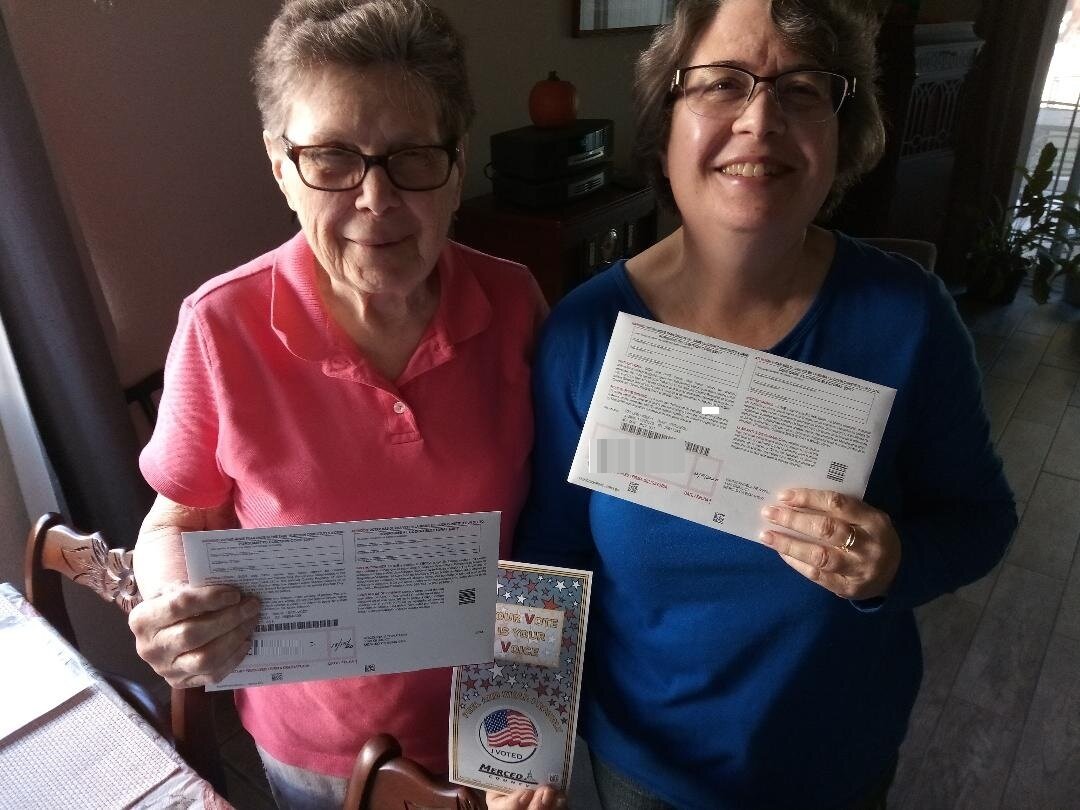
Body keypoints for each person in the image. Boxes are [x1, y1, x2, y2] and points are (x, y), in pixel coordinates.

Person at [514, 1, 1017, 808]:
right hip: (645, 770)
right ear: (666, 122)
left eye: (802, 88)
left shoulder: (907, 317)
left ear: (841, 133)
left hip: (836, 767)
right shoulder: (585, 333)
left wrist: (897, 562)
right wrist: (516, 746)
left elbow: (983, 518)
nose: (761, 119)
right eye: (720, 84)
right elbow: (548, 557)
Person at [126, 2, 559, 808]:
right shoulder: (220, 327)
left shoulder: (516, 302)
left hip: (494, 731)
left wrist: (531, 725)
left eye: (412, 157)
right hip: (317, 751)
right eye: (331, 157)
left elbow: (549, 532)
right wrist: (169, 602)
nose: (375, 198)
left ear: (458, 165)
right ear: (280, 167)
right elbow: (177, 516)